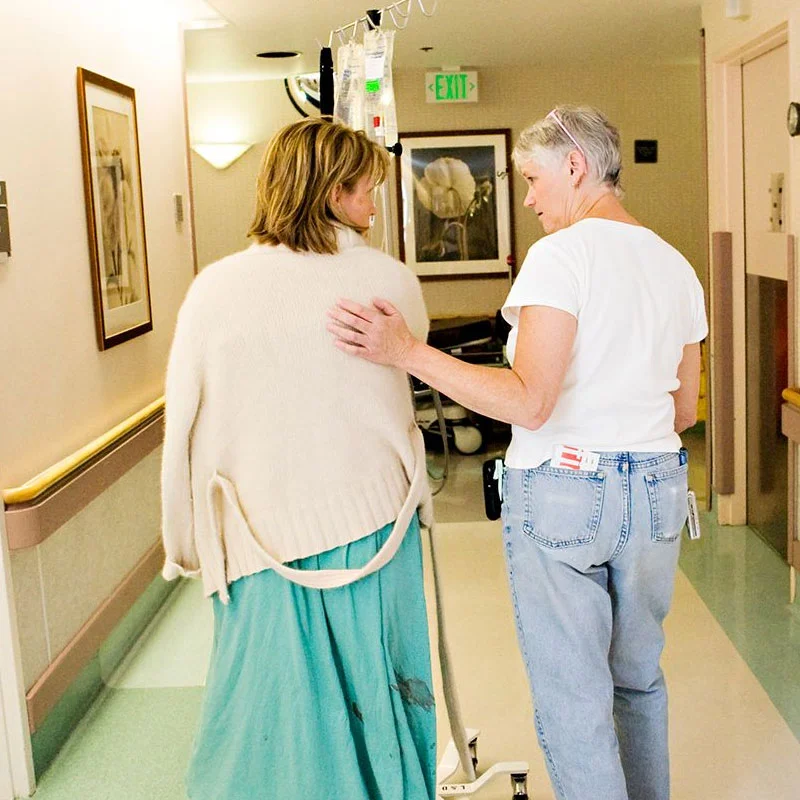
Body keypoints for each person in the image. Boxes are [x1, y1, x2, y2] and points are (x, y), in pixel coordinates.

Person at [328, 105, 707, 800]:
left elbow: (530, 402)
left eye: (533, 178)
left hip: (568, 494)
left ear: (575, 166)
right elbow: (683, 411)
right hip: (656, 492)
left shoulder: (561, 257)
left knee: (575, 701)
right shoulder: (675, 264)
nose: (528, 199)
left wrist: (407, 351)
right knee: (638, 682)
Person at [160, 118, 437, 800]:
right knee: (379, 688)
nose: (374, 204)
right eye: (367, 187)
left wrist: (185, 544)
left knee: (266, 707)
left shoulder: (215, 290)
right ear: (334, 191)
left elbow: (181, 429)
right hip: (375, 522)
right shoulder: (388, 281)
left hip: (255, 536)